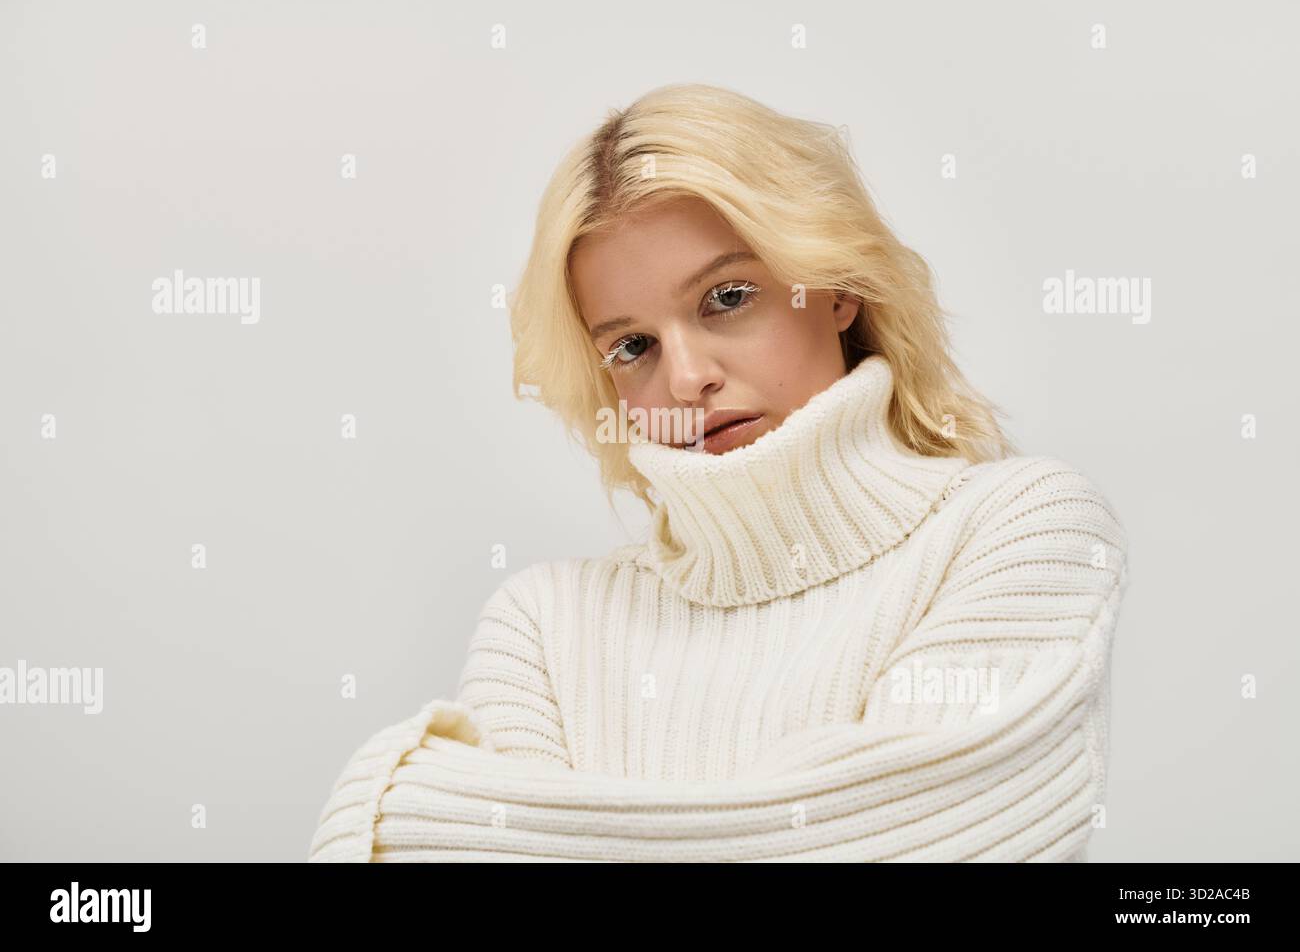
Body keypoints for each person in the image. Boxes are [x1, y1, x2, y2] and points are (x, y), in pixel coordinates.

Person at [308, 83, 1130, 862]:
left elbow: (916, 847)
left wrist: (398, 805)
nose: (687, 377)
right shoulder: (544, 627)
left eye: (727, 297)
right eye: (631, 346)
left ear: (837, 285)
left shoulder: (1018, 529)